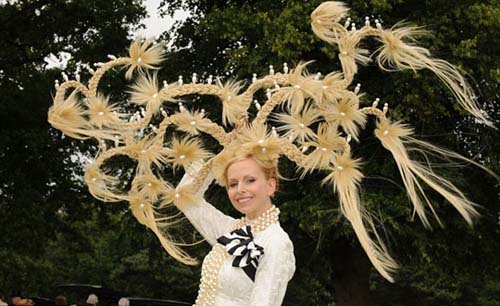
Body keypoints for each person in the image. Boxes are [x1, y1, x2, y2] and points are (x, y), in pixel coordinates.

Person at [178, 154, 295, 306]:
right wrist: (223, 153)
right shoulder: (229, 230)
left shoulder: (276, 242)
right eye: (232, 184)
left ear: (270, 186)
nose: (240, 189)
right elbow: (185, 198)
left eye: (250, 180)